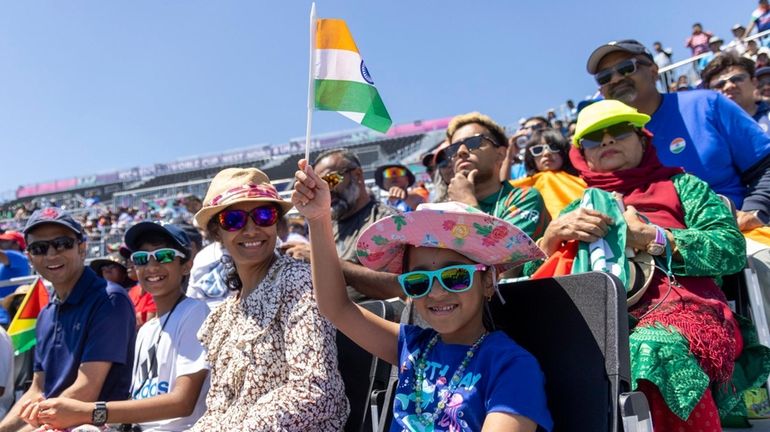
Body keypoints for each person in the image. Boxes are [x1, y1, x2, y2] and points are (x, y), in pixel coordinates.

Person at [540, 100, 762, 430]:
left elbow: (729, 250)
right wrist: (549, 240)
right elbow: (546, 281)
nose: (606, 142)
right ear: (582, 156)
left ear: (642, 139)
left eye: (618, 132)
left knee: (651, 348)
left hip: (688, 316)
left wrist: (652, 237)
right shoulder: (576, 209)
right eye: (593, 139)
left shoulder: (684, 186)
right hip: (596, 321)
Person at [292, 160, 553, 431]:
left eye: (455, 277)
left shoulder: (512, 366)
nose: (437, 292)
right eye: (418, 282)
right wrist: (318, 219)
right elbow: (336, 308)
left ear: (488, 281)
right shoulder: (413, 346)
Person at [190, 167, 348, 430]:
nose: (251, 229)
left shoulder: (298, 283)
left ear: (278, 224)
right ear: (217, 233)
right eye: (234, 220)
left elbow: (317, 391)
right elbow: (218, 409)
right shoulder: (222, 316)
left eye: (264, 215)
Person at [35, 222, 210, 432]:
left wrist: (88, 411)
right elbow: (140, 399)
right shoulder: (146, 330)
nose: (152, 267)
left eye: (164, 256)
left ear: (186, 265)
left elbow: (182, 402)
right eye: (141, 259)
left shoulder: (196, 312)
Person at [586, 39, 770, 231]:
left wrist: (753, 212)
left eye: (626, 67)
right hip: (655, 252)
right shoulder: (598, 144)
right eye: (604, 77)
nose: (615, 79)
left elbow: (765, 166)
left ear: (654, 70)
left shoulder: (706, 104)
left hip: (735, 237)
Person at [0, 207, 135, 432]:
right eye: (40, 248)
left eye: (62, 243)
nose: (51, 254)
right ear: (30, 257)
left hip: (96, 425)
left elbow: (86, 391)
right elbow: (37, 390)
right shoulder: (46, 314)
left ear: (82, 248)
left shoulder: (109, 299)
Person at [283, 148, 402, 301]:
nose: (325, 191)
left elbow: (398, 287)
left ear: (358, 175)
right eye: (317, 186)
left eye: (330, 181)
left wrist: (320, 258)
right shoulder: (327, 226)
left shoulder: (388, 221)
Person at [445, 112, 549, 240]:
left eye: (473, 142)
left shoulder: (525, 199)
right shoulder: (443, 209)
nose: (461, 151)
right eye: (453, 148)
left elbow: (504, 255)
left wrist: (467, 202)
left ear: (500, 154)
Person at [511, 130, 585, 219]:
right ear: (531, 158)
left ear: (564, 151)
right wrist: (508, 156)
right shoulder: (525, 185)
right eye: (537, 149)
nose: (546, 153)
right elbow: (501, 189)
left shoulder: (584, 178)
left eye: (553, 147)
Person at [702, 52, 770, 132]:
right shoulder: (711, 132)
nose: (728, 86)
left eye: (737, 79)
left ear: (754, 82)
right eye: (719, 85)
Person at [0, 231, 30, 327]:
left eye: (5, 241)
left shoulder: (19, 257)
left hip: (4, 317)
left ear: (16, 244)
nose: (1, 243)